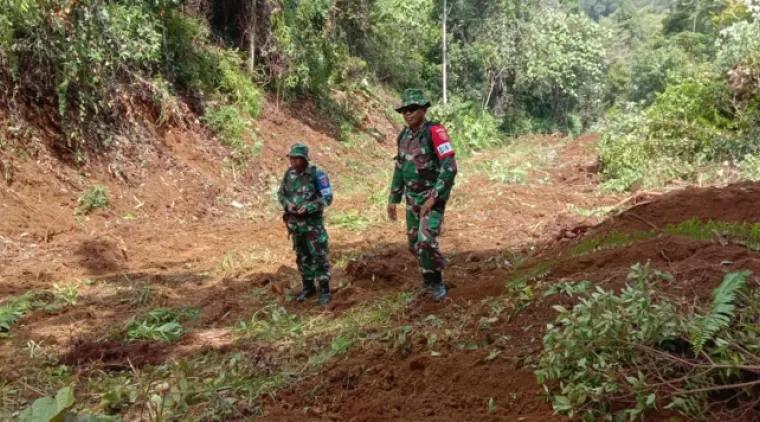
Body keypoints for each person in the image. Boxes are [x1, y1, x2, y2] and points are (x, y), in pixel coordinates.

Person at [387, 89, 458, 301]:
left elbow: (449, 166)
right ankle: (427, 281)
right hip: (412, 199)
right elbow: (400, 168)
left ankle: (436, 283)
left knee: (425, 240)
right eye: (404, 111)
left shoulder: (435, 132)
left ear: (423, 109)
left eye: (412, 109)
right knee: (413, 244)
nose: (408, 114)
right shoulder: (404, 136)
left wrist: (434, 197)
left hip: (431, 198)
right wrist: (393, 198)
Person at [278, 143, 334, 304]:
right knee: (302, 256)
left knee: (318, 255)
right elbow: (281, 194)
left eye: (297, 158)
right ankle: (308, 287)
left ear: (305, 160)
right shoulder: (289, 174)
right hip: (296, 225)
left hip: (313, 225)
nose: (293, 161)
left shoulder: (318, 175)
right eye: (291, 158)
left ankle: (324, 290)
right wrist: (287, 205)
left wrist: (309, 207)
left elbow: (327, 198)